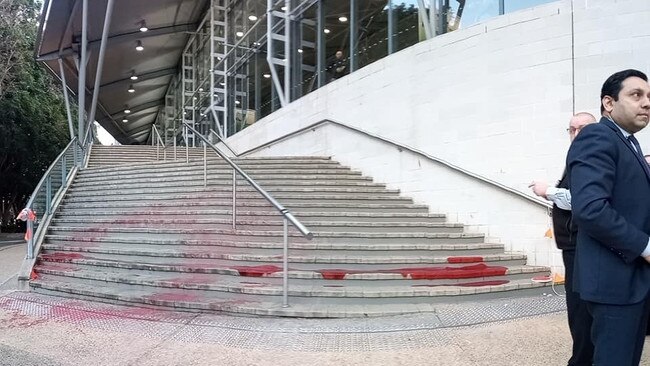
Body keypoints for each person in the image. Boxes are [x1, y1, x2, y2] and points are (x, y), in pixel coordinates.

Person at [567, 69, 650, 365]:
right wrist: (646, 247)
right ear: (609, 103)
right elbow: (590, 208)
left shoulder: (630, 143)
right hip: (614, 285)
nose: (646, 103)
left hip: (630, 283)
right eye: (636, 94)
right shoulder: (597, 135)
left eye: (649, 96)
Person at [529, 112, 596, 366]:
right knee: (579, 310)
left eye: (583, 128)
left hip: (582, 246)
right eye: (571, 129)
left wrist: (547, 190)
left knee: (581, 310)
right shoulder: (578, 158)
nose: (576, 134)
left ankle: (581, 361)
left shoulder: (591, 159)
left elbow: (581, 200)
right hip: (574, 247)